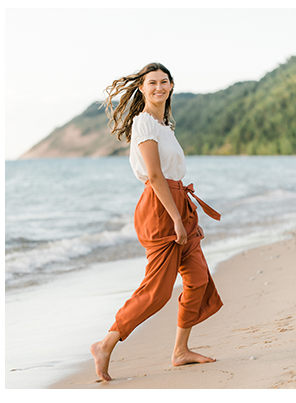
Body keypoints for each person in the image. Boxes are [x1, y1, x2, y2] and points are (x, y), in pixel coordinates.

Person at [90, 63, 223, 382]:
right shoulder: (144, 123)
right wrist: (176, 218)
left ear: (171, 86)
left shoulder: (165, 126)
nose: (158, 87)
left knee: (198, 278)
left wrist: (186, 216)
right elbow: (154, 175)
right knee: (158, 290)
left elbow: (173, 176)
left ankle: (180, 351)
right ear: (142, 88)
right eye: (152, 83)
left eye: (164, 82)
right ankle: (106, 343)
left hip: (178, 204)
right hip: (161, 209)